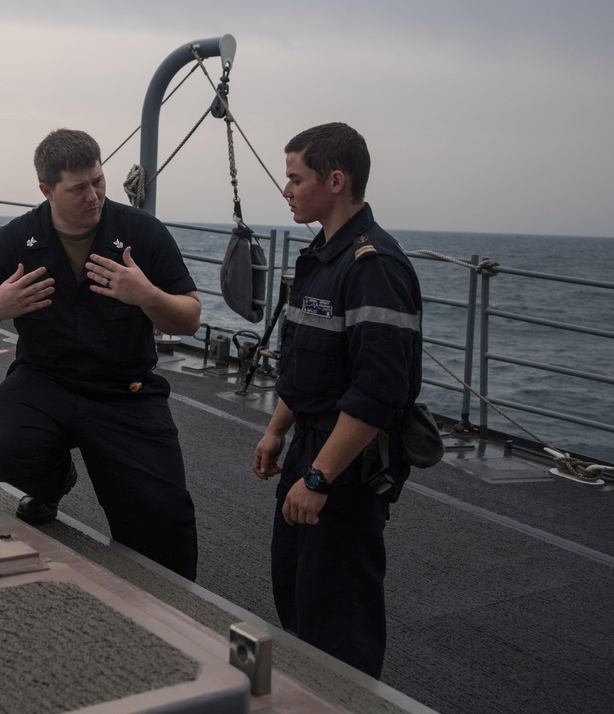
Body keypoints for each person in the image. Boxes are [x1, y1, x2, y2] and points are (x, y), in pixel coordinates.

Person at [0, 128, 201, 580]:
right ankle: (53, 481)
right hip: (47, 381)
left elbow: (188, 317)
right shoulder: (19, 239)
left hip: (125, 391)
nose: (95, 196)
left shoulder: (141, 233)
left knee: (163, 530)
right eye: (79, 187)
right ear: (47, 190)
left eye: (99, 181)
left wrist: (147, 296)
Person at [252, 122, 423, 678]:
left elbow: (378, 393)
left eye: (295, 178)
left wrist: (321, 479)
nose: (287, 189)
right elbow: (307, 365)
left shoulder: (374, 268)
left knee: (338, 619)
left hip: (346, 465)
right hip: (308, 445)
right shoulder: (324, 258)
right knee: (296, 593)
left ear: (335, 179)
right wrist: (277, 429)